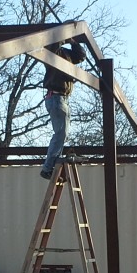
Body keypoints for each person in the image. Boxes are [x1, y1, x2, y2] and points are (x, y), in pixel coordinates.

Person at [40, 40, 86, 179]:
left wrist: (74, 42)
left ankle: (51, 168)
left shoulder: (66, 54)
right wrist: (64, 37)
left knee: (62, 134)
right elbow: (52, 43)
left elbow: (81, 56)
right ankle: (48, 168)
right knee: (61, 133)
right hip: (56, 97)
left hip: (62, 98)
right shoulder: (51, 52)